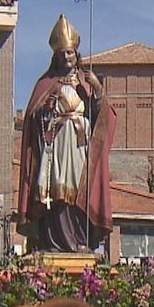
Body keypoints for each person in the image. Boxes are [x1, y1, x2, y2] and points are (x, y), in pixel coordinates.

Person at [16, 14, 117, 252]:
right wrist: (45, 110)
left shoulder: (85, 82)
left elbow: (103, 115)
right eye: (62, 53)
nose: (66, 57)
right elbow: (33, 117)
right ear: (55, 56)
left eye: (70, 52)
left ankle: (80, 240)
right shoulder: (46, 82)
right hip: (56, 145)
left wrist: (98, 90)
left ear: (76, 54)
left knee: (80, 190)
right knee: (56, 190)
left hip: (80, 145)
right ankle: (53, 241)